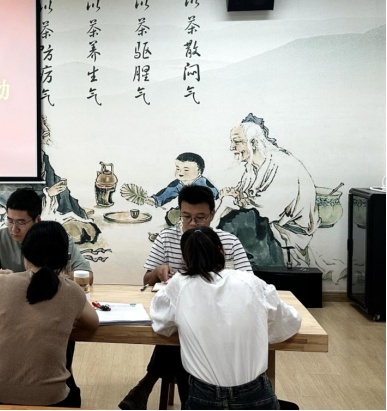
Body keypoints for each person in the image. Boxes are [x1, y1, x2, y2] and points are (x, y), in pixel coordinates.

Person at [119, 185, 252, 411]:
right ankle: (181, 398)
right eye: (186, 217)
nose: (192, 223)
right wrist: (158, 271)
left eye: (200, 218)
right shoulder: (167, 237)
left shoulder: (228, 241)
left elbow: (248, 281)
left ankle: (148, 383)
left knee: (181, 331)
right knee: (182, 329)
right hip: (187, 316)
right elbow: (147, 279)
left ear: (212, 214)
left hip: (221, 316)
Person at [151, 226, 302, 410]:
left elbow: (161, 326)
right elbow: (289, 323)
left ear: (184, 259)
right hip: (255, 393)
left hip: (203, 396)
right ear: (222, 251)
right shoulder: (250, 281)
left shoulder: (178, 285)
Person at [0, 221, 99, 407]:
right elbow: (93, 323)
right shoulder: (71, 290)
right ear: (64, 258)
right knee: (74, 392)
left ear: (25, 253)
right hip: (52, 400)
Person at [214, 114, 320, 273]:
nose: (231, 147)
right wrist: (233, 196)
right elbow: (243, 195)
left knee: (236, 220)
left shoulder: (283, 165)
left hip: (284, 232)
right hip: (264, 226)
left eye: (237, 142)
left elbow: (267, 211)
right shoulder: (253, 167)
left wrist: (232, 200)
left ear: (254, 143)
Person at [0, 188, 93, 285]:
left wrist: (56, 276)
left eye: (21, 222)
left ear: (37, 220)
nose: (14, 229)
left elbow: (88, 276)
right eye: (10, 221)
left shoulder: (56, 238)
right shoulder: (2, 237)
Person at [146, 152, 219, 208]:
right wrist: (155, 200)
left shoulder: (203, 183)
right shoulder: (178, 184)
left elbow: (215, 197)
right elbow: (167, 192)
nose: (180, 173)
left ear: (199, 172)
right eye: (178, 169)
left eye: (186, 170)